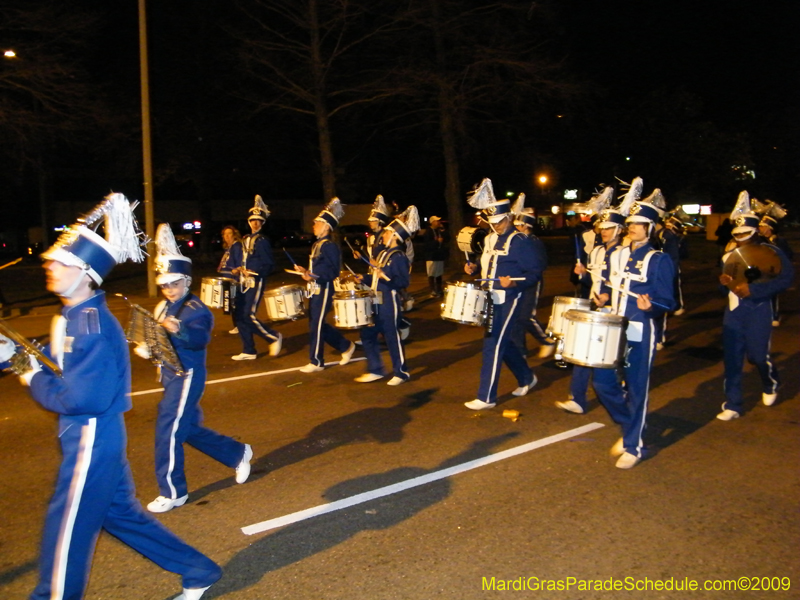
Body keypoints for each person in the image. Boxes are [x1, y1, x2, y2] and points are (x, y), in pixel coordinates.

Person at [0, 194, 221, 600]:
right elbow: (51, 359)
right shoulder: (70, 316)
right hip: (92, 435)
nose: (49, 265)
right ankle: (199, 570)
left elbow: (80, 398)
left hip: (91, 437)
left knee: (66, 529)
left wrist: (29, 375)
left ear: (85, 274)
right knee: (121, 516)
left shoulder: (92, 325)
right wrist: (14, 354)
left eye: (60, 262)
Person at [137, 224, 253, 514]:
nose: (168, 289)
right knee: (184, 429)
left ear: (186, 281)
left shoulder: (196, 309)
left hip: (186, 375)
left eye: (173, 284)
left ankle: (173, 492)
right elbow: (157, 337)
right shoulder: (164, 306)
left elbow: (200, 339)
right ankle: (236, 452)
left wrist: (178, 332)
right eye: (164, 285)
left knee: (168, 429)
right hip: (169, 374)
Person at [592, 182, 676, 468]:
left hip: (641, 330)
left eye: (640, 224)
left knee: (638, 387)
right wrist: (603, 295)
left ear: (651, 228)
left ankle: (634, 446)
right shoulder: (616, 254)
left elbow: (669, 302)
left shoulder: (659, 260)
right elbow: (608, 284)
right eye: (631, 223)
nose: (633, 227)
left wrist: (651, 305)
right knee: (602, 382)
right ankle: (631, 425)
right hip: (613, 327)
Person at [462, 179, 543, 410]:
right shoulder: (488, 239)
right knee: (503, 343)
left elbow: (534, 272)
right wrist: (474, 268)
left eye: (500, 221)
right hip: (489, 297)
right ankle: (527, 377)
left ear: (509, 217)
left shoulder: (520, 242)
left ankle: (486, 397)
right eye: (493, 222)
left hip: (510, 298)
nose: (496, 225)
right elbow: (486, 263)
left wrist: (514, 284)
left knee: (492, 343)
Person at [556, 185, 636, 415]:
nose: (604, 231)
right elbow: (595, 281)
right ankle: (577, 398)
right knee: (583, 352)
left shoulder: (626, 252)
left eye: (609, 228)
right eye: (602, 228)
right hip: (596, 309)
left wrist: (608, 296)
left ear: (620, 229)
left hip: (616, 309)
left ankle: (625, 393)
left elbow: (625, 283)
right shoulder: (597, 252)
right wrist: (583, 275)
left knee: (615, 357)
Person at [716, 192, 794, 421]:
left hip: (758, 309)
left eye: (746, 234)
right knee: (732, 359)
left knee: (758, 356)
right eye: (737, 234)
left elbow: (786, 279)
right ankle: (732, 404)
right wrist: (724, 285)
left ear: (755, 232)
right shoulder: (728, 255)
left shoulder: (772, 251)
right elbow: (724, 286)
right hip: (733, 312)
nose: (741, 238)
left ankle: (770, 383)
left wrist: (756, 290)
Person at [353, 206, 419, 385]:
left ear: (395, 237)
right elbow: (375, 276)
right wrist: (363, 277)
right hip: (374, 300)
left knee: (391, 337)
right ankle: (375, 369)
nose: (383, 235)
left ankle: (401, 372)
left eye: (387, 233)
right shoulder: (382, 253)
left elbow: (403, 282)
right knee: (367, 334)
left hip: (389, 301)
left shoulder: (399, 257)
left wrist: (386, 277)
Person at [295, 198, 357, 373]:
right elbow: (319, 268)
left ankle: (316, 361)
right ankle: (345, 346)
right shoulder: (317, 245)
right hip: (315, 288)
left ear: (326, 227)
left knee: (316, 324)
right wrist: (305, 271)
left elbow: (333, 272)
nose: (313, 225)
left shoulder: (329, 246)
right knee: (317, 323)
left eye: (317, 223)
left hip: (324, 289)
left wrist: (313, 275)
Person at [231, 195, 282, 360]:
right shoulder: (246, 239)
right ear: (248, 221)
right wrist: (239, 269)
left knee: (248, 314)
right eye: (253, 220)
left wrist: (254, 271)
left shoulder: (262, 241)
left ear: (262, 223)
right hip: (243, 281)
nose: (255, 223)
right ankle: (248, 350)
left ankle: (272, 337)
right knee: (239, 315)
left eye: (259, 221)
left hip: (256, 281)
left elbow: (269, 264)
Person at [509, 198, 554, 359]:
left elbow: (540, 265)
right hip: (517, 282)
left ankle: (546, 340)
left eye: (517, 226)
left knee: (526, 316)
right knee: (515, 316)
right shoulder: (517, 242)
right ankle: (520, 351)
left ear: (525, 226)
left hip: (532, 282)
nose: (515, 229)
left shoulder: (534, 242)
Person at [756, 203, 792, 327]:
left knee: (773, 294)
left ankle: (775, 315)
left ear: (770, 228)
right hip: (763, 271)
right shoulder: (759, 241)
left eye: (763, 226)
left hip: (775, 272)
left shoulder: (779, 241)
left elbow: (788, 255)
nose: (760, 228)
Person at [218, 225, 243, 334]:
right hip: (227, 278)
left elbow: (238, 263)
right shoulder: (229, 248)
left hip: (233, 279)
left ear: (234, 235)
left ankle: (239, 326)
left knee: (234, 303)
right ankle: (238, 325)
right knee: (231, 303)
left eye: (229, 234)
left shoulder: (236, 246)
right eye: (225, 234)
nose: (227, 236)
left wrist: (236, 270)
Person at [423, 216, 449, 298]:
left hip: (439, 255)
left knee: (439, 274)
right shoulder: (428, 232)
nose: (439, 222)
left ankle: (439, 289)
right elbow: (427, 245)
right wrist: (436, 241)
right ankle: (432, 290)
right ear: (432, 222)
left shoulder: (439, 230)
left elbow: (448, 238)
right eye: (437, 221)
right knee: (431, 274)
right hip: (431, 256)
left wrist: (443, 230)